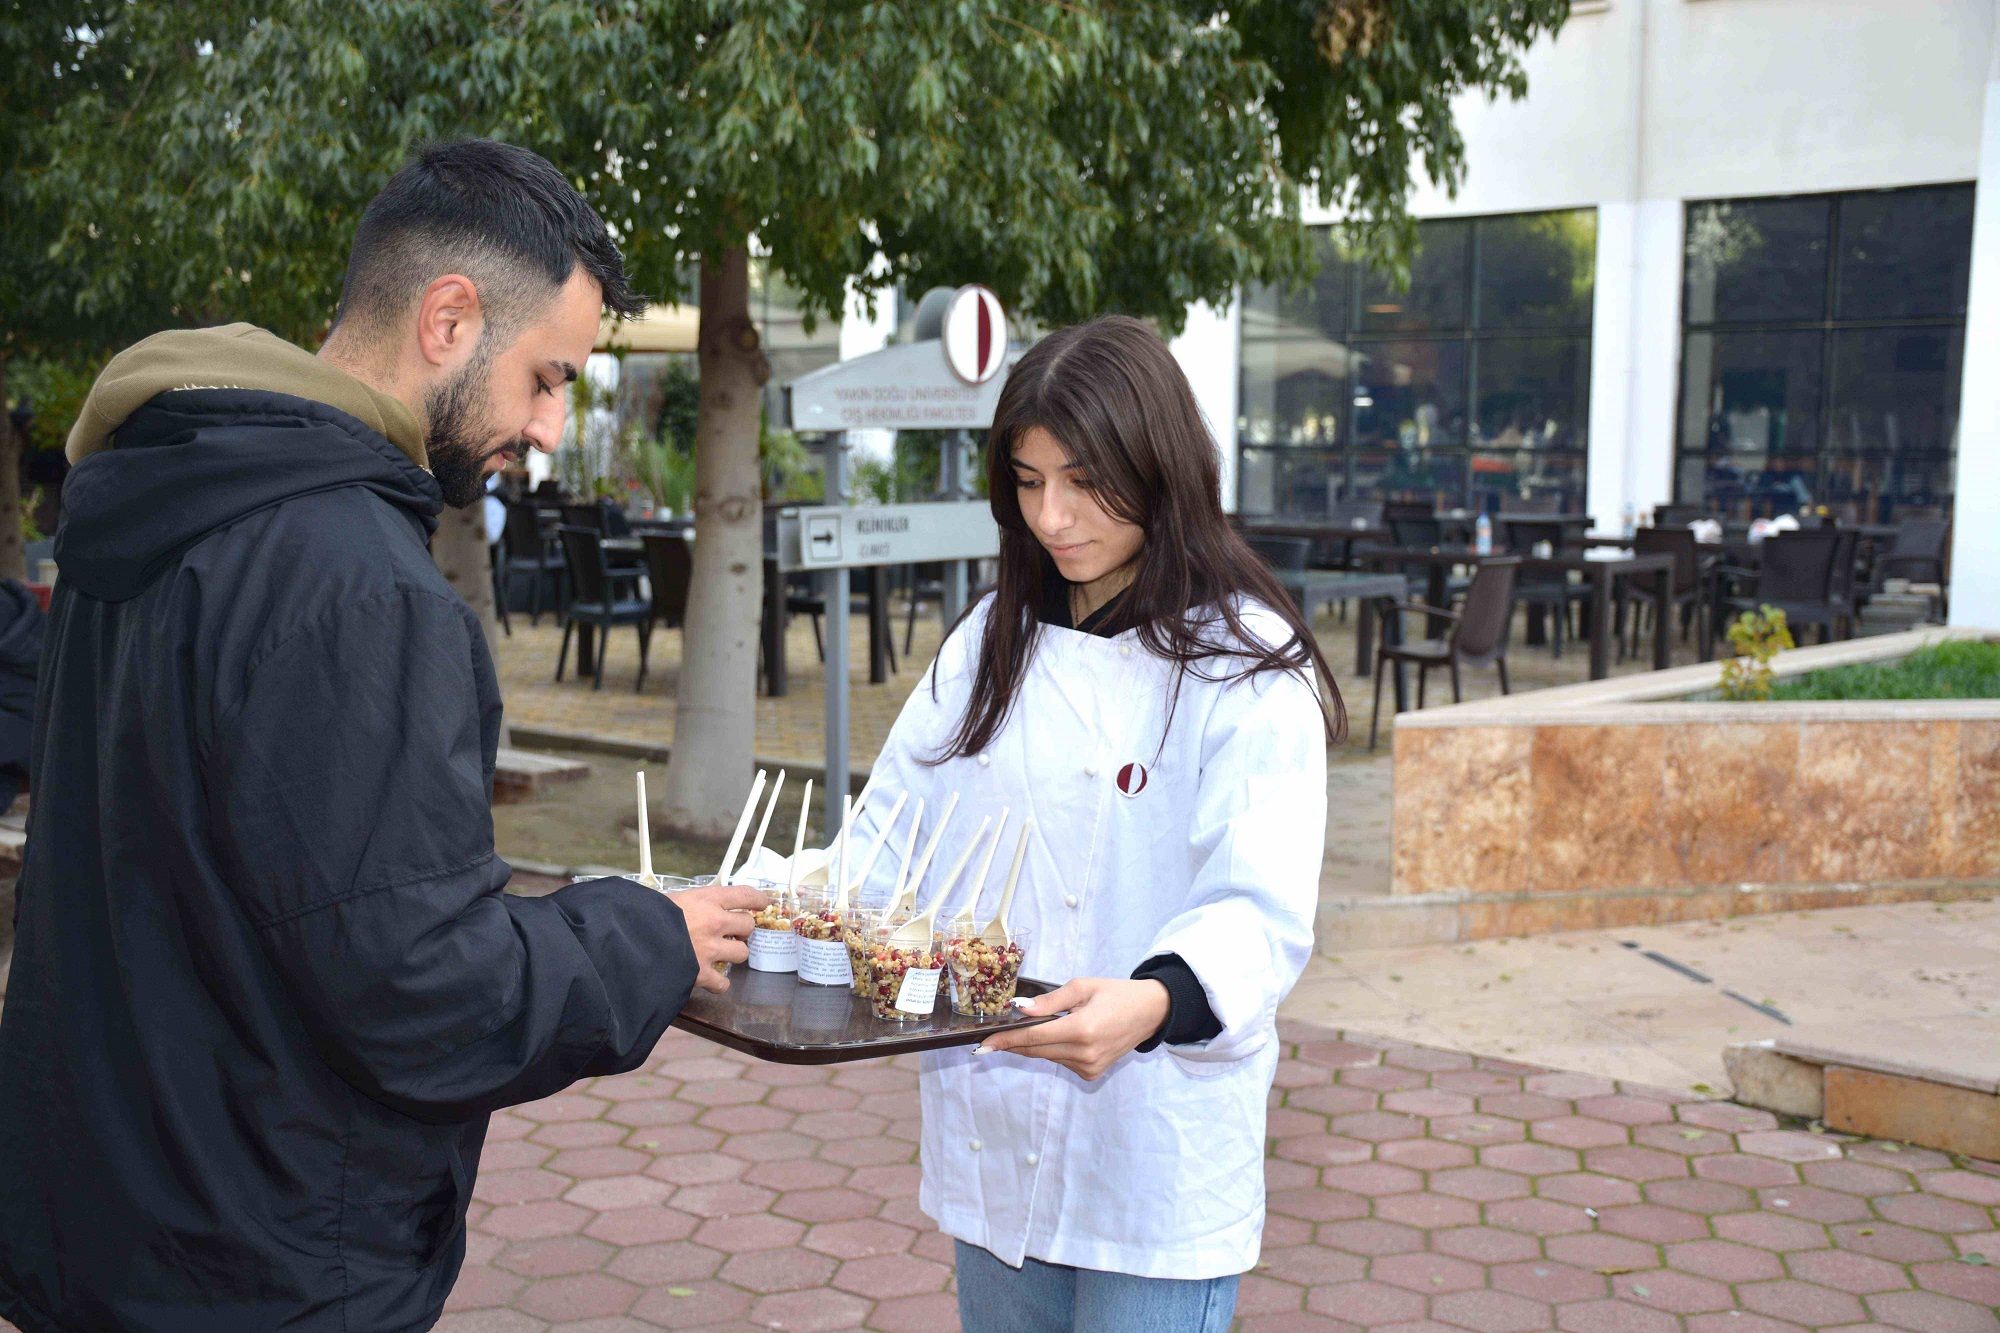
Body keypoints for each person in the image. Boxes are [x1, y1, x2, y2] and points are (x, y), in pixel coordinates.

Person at [0, 139, 765, 1333]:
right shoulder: (357, 585)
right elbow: (424, 991)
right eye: (546, 377)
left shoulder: (159, 500)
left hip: (110, 1223)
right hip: (265, 1258)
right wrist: (643, 935)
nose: (551, 427)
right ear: (447, 320)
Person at [838, 316, 1338, 1332]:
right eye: (1027, 482)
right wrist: (763, 905)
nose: (1051, 516)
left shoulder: (1243, 663)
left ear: (1159, 468)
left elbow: (1259, 906)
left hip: (1155, 1148)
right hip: (995, 1123)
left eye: (1082, 481)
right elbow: (885, 841)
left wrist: (1151, 1002)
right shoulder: (989, 642)